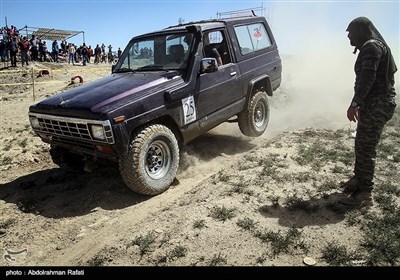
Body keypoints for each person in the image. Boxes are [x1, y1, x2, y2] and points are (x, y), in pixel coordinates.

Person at [340, 17, 397, 207]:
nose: (348, 36)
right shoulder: (372, 45)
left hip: (377, 104)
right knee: (362, 143)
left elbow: (368, 77)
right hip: (374, 103)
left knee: (366, 147)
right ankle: (359, 179)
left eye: (350, 32)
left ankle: (365, 193)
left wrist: (355, 102)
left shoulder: (371, 47)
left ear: (360, 31)